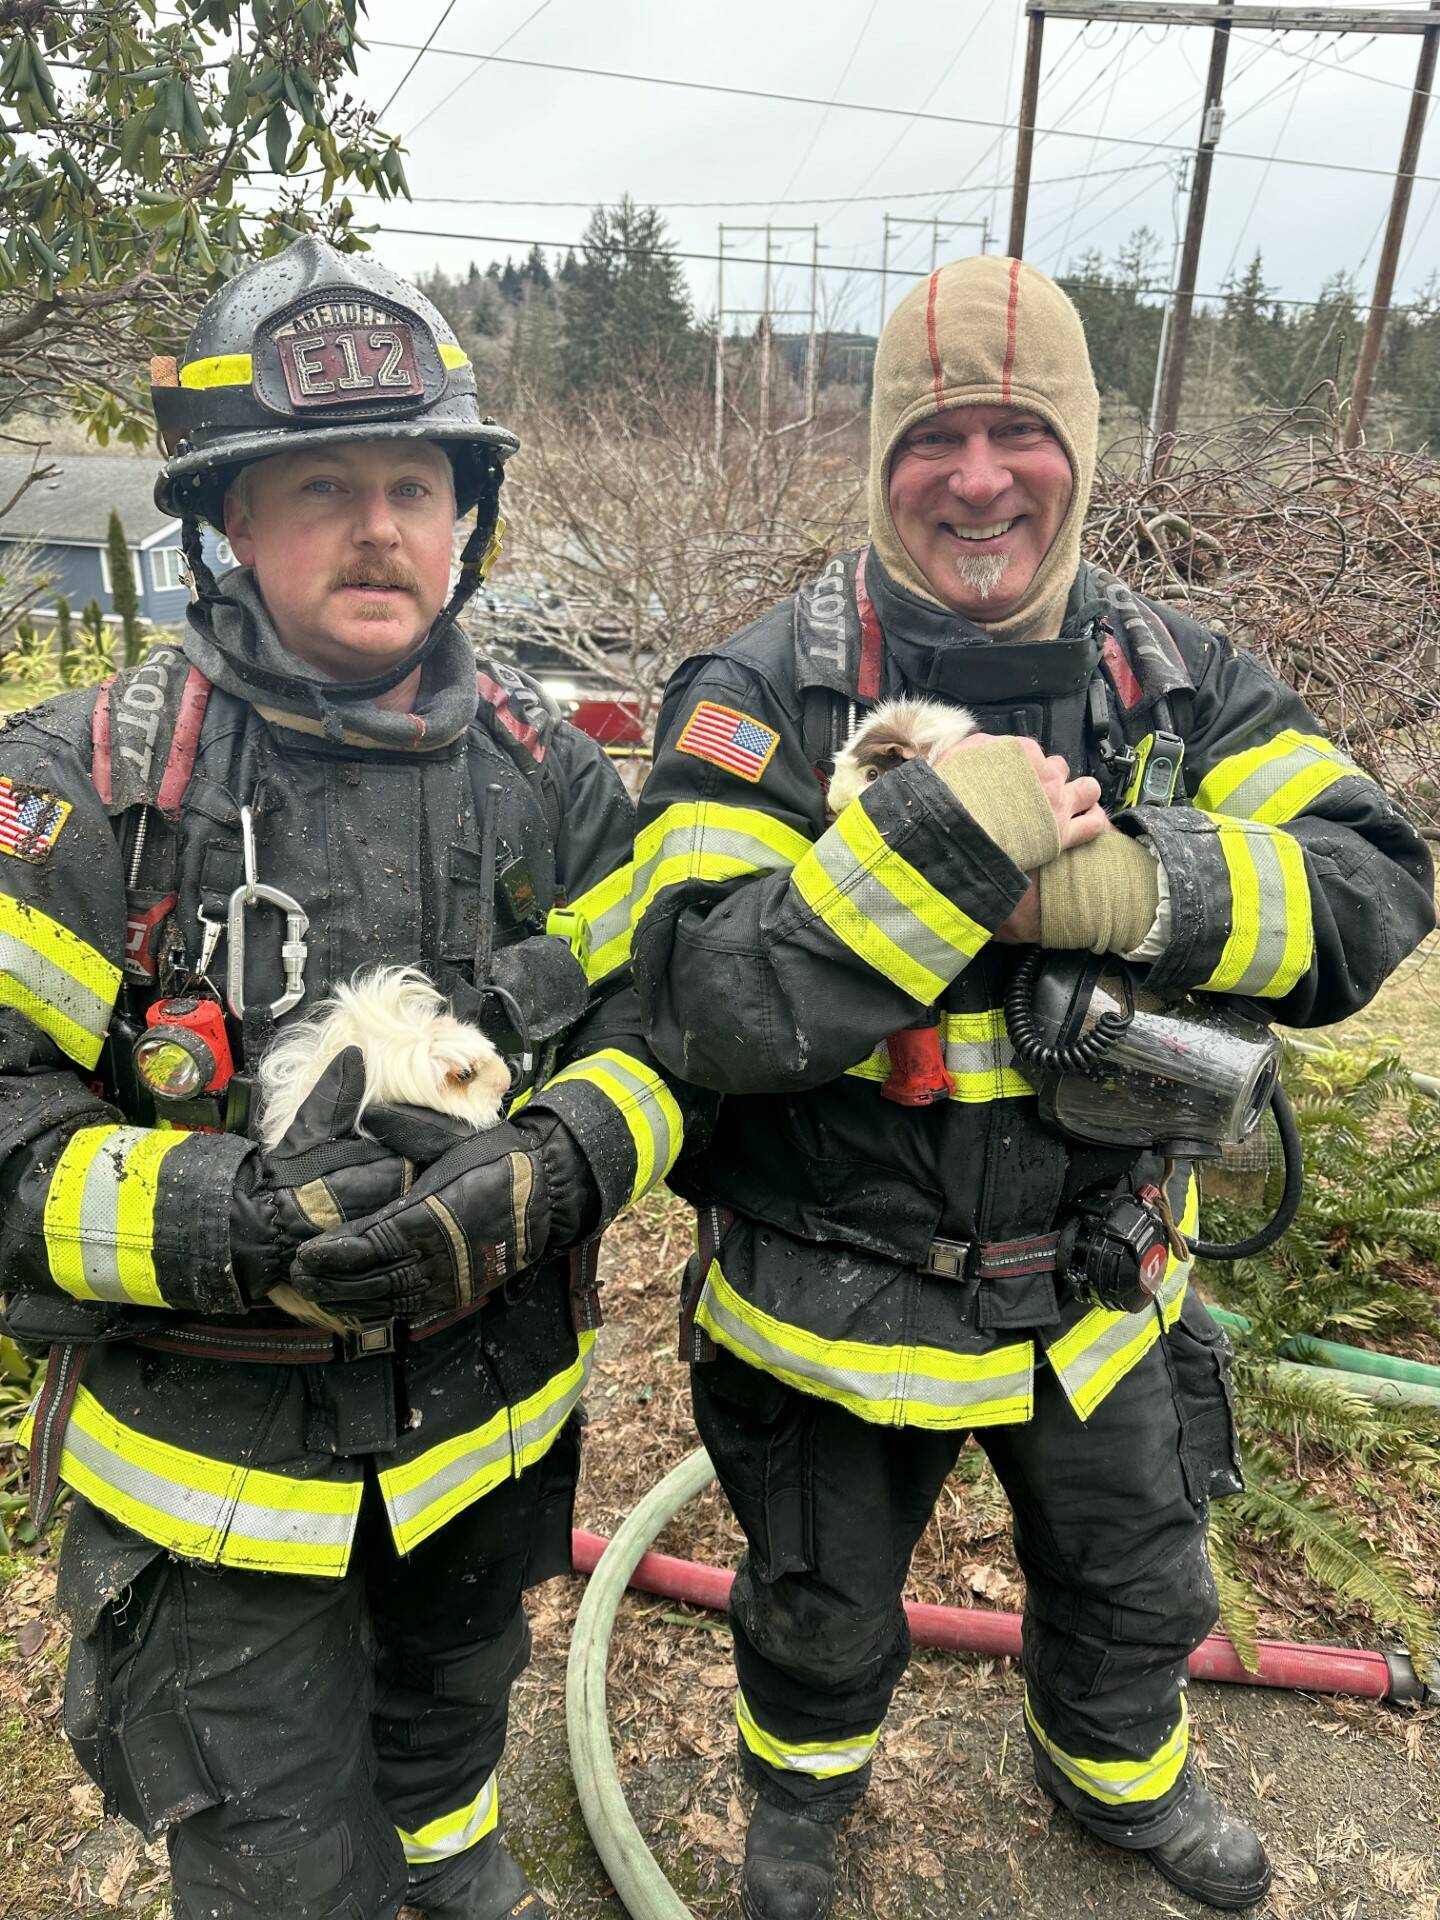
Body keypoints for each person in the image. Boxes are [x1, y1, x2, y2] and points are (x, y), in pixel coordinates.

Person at [631, 254, 1435, 1917]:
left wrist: (1125, 889)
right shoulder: (766, 693)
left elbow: (1371, 884)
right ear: (881, 461)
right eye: (934, 438)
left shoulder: (1176, 681)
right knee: (816, 1603)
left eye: (1020, 433)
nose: (979, 478)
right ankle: (803, 1804)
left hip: (1098, 1290)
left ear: (1080, 448)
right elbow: (697, 995)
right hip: (831, 1297)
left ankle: (1114, 1775)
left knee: (1137, 1583)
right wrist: (934, 863)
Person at [0, 237, 705, 1920]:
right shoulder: (87, 789)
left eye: (413, 485)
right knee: (281, 1867)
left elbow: (667, 1035)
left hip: (490, 1434)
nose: (379, 527)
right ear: (229, 521)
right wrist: (227, 1219)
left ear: (466, 520)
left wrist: (560, 1162)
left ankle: (448, 1845)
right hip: (215, 1490)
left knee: (453, 1709)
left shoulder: (555, 779)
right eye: (322, 487)